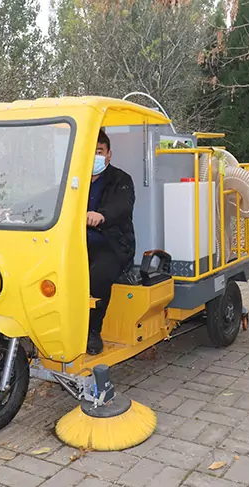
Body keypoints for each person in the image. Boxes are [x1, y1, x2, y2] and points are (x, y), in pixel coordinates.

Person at [86, 129, 136, 355]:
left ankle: (92, 330)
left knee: (98, 274)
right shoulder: (74, 180)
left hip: (113, 244)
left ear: (108, 155)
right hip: (76, 245)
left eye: (99, 151)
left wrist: (101, 215)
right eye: (91, 151)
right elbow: (47, 196)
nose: (95, 156)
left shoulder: (121, 179)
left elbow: (122, 205)